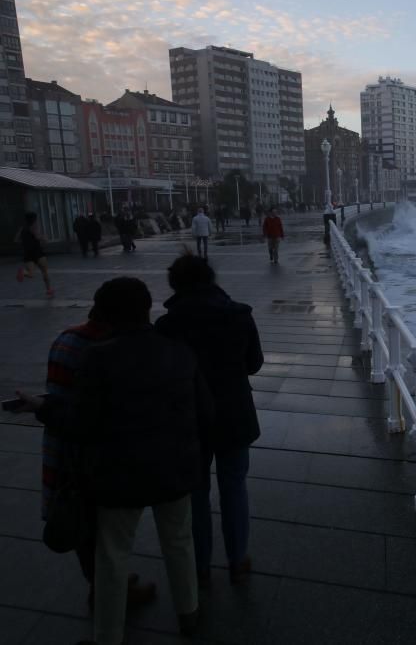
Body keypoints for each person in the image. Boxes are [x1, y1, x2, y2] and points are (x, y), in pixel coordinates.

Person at [22, 277, 211, 643]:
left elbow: (81, 423)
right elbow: (205, 411)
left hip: (118, 476)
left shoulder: (98, 358)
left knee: (112, 554)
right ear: (147, 308)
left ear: (106, 315)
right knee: (179, 541)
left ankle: (108, 634)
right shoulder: (178, 350)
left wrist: (44, 408)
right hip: (174, 469)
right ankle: (189, 613)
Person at [24, 307, 156, 613]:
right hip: (99, 455)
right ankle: (109, 592)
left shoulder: (65, 340)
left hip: (63, 449)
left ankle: (103, 582)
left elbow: (58, 395)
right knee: (105, 530)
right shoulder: (109, 351)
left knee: (83, 522)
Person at [155, 255, 263, 588]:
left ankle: (199, 565)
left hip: (188, 421)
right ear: (211, 279)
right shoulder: (239, 315)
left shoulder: (167, 326)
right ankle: (237, 559)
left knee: (196, 494)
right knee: (234, 486)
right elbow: (254, 364)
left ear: (177, 284)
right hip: (234, 415)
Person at [14, 212, 54, 297]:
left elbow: (16, 240)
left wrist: (25, 242)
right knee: (44, 272)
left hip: (28, 254)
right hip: (38, 253)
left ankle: (23, 272)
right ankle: (49, 289)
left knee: (31, 274)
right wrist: (45, 239)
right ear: (35, 219)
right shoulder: (34, 227)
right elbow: (37, 236)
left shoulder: (22, 229)